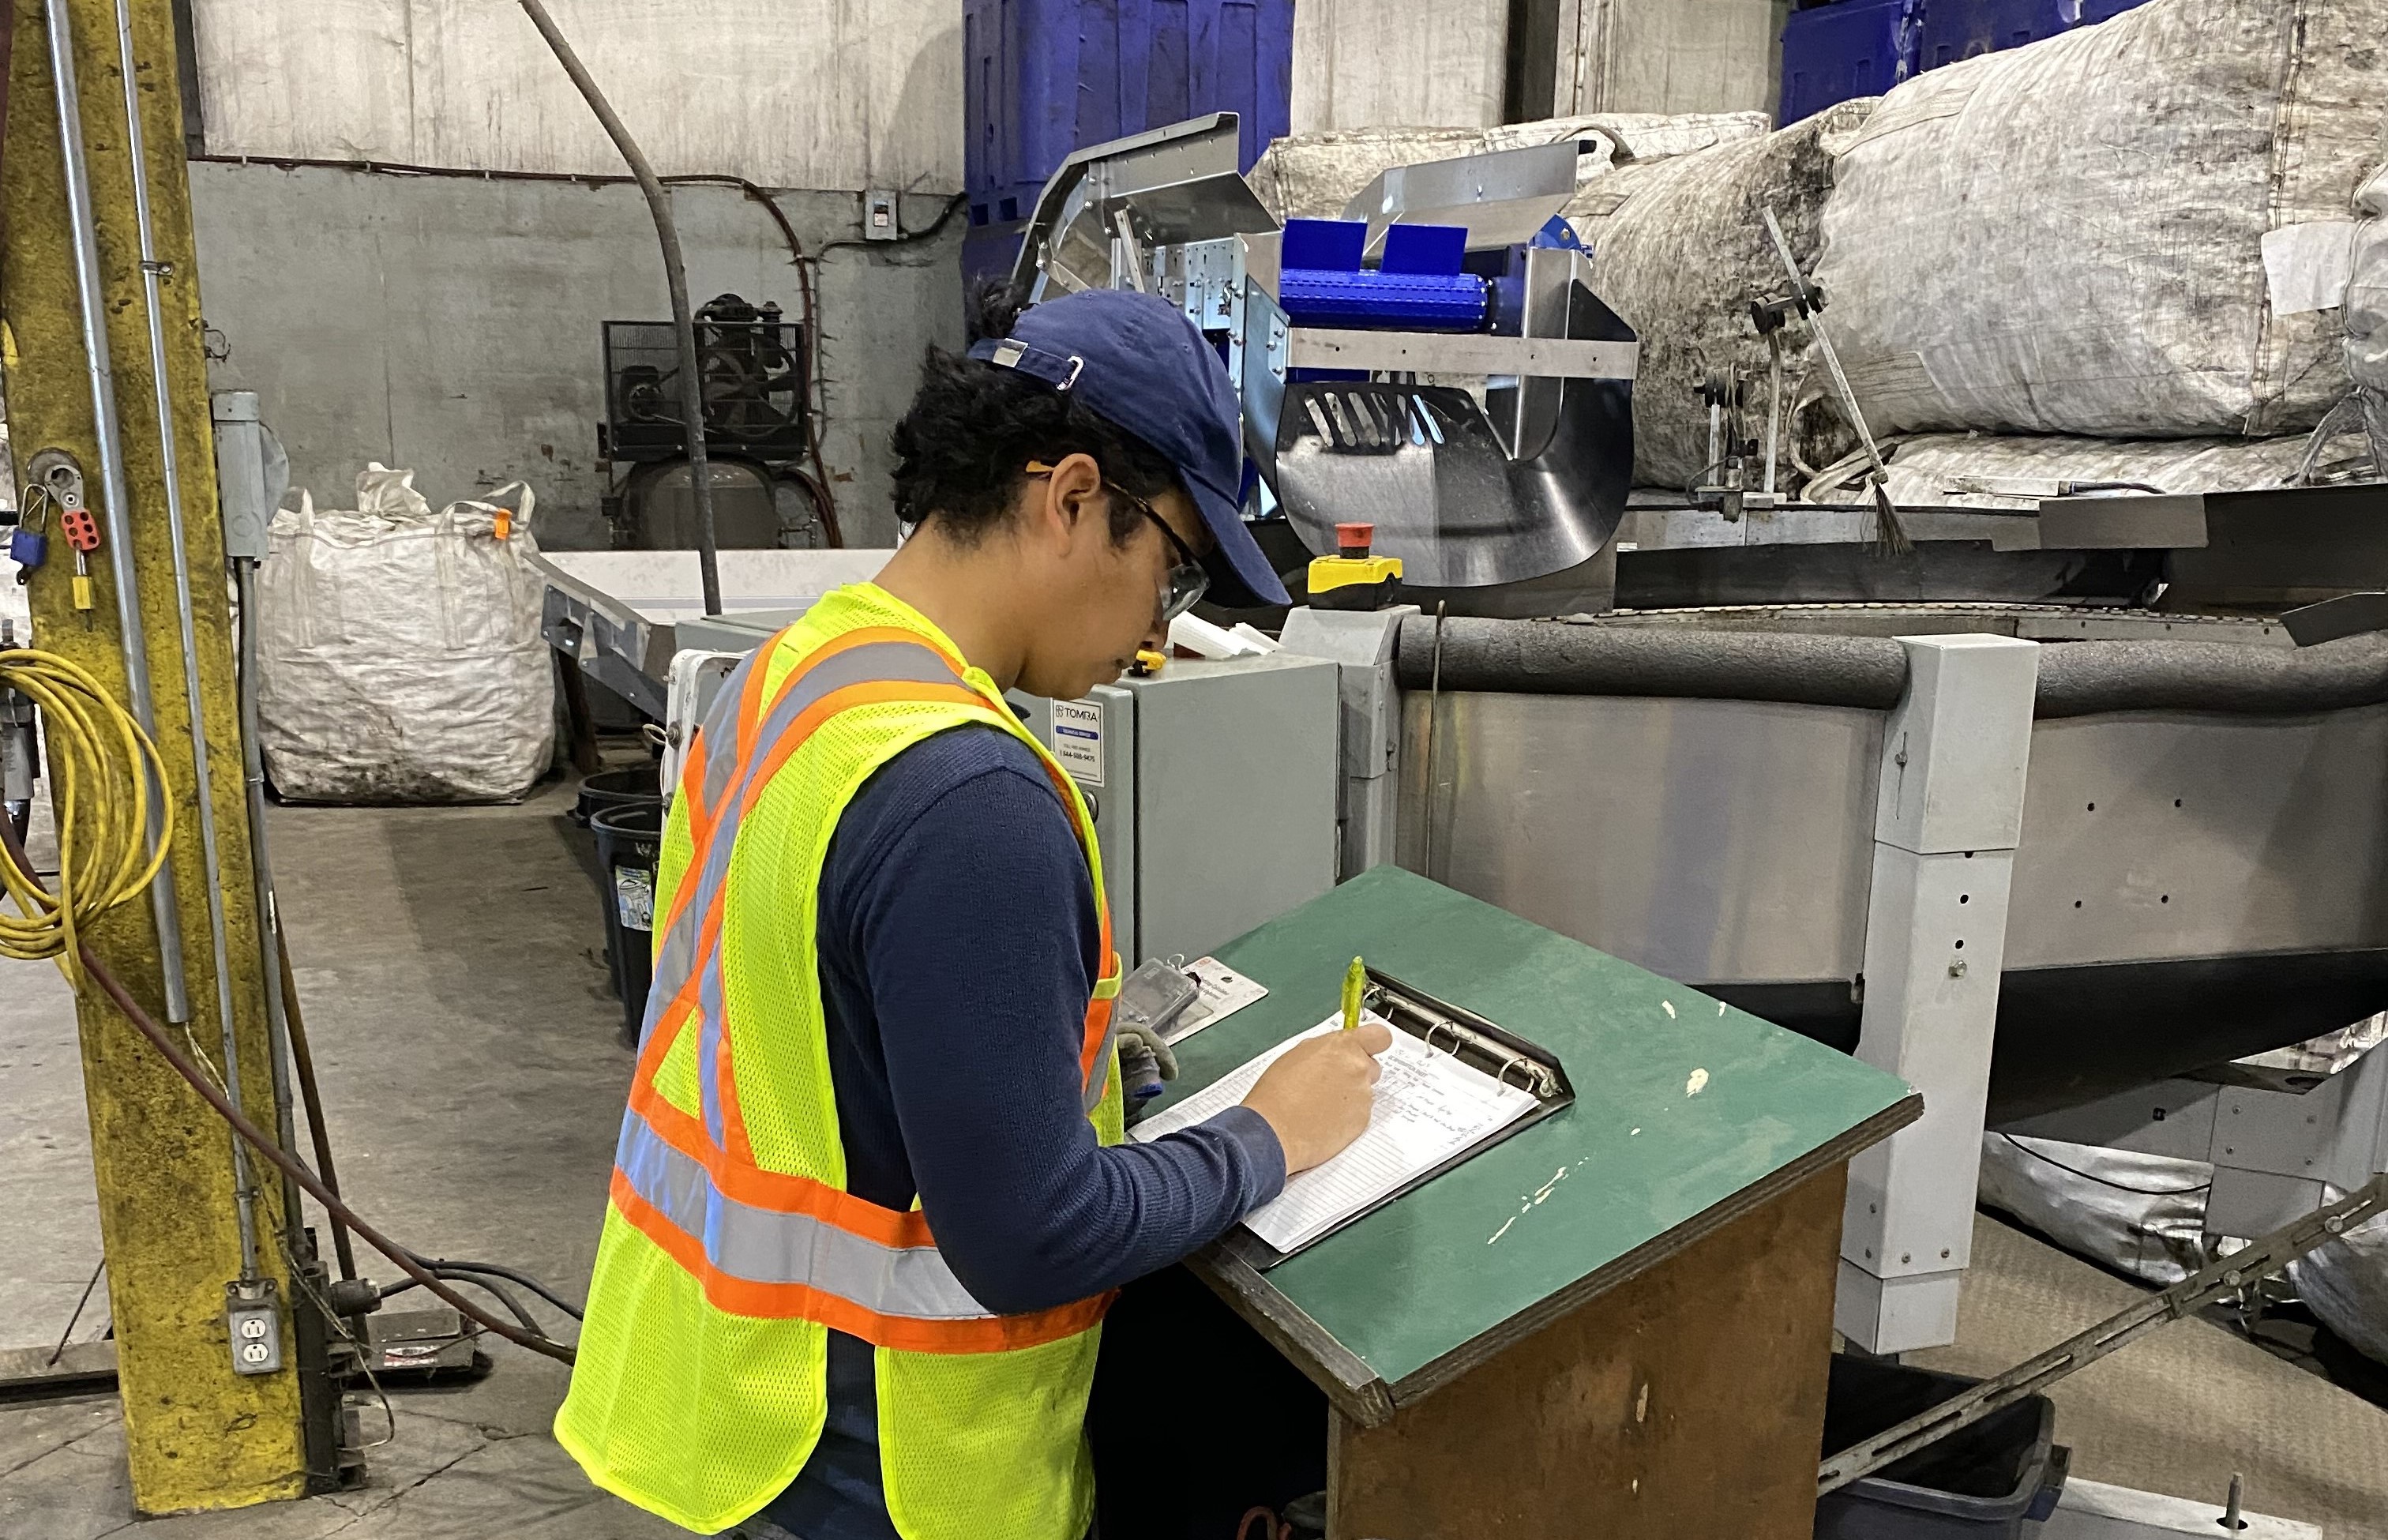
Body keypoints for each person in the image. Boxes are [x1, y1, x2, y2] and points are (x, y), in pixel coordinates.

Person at [554, 286, 1394, 1540]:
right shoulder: (969, 796)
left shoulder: (797, 672)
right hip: (887, 1466)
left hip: (733, 1405)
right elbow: (1033, 1237)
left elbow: (824, 1040)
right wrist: (1269, 1136)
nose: (1161, 631)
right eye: (1170, 570)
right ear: (1069, 497)